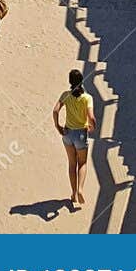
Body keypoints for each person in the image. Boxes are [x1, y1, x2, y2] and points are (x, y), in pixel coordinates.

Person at [53, 68, 96, 209]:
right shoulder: (87, 98)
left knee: (72, 164)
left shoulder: (65, 95)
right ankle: (80, 189)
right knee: (82, 163)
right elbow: (91, 117)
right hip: (81, 134)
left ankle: (73, 193)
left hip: (68, 133)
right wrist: (92, 126)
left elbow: (55, 110)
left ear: (70, 82)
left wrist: (58, 126)